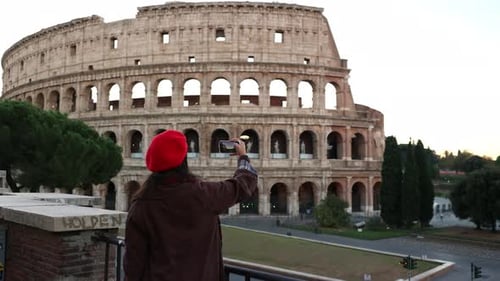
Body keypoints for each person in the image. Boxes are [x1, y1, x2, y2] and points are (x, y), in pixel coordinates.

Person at [123, 130, 257, 281]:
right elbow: (242, 186)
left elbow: (133, 264)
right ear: (183, 161)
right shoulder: (203, 194)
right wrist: (243, 157)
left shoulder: (140, 206)